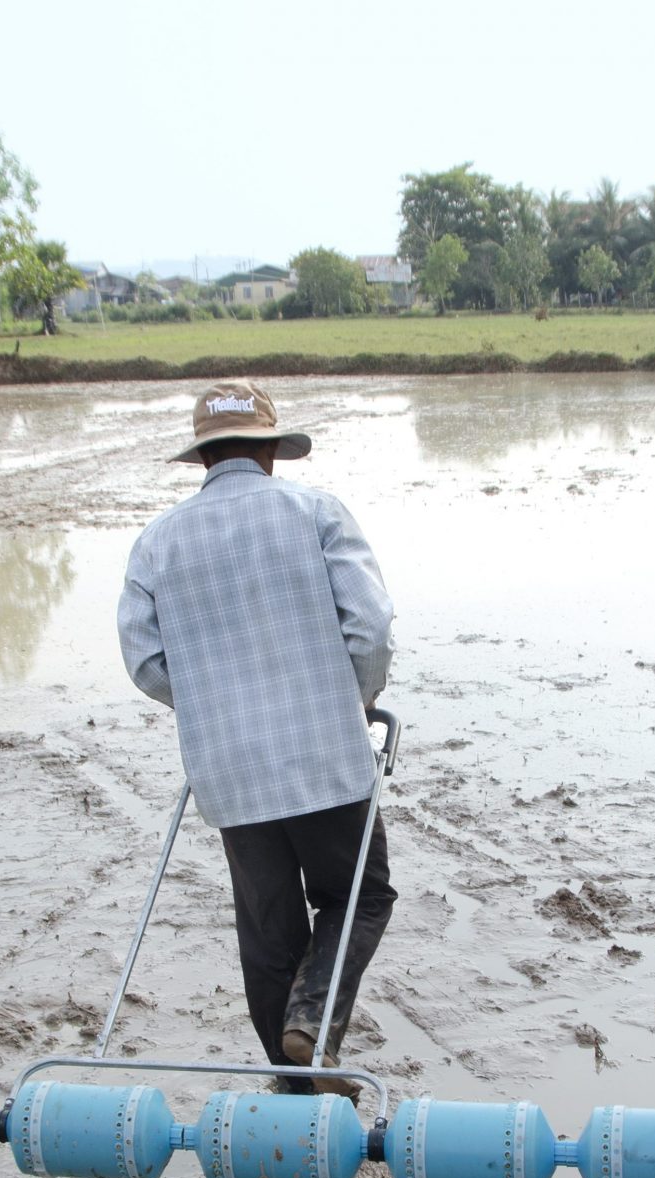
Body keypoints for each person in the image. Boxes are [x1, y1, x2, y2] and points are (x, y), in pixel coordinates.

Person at [117, 381, 396, 1096]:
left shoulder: (158, 542)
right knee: (360, 895)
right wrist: (354, 698)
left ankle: (294, 1084)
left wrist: (216, 702)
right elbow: (368, 628)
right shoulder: (316, 512)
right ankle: (313, 1018)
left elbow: (146, 661)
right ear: (271, 450)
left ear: (204, 457)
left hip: (229, 771)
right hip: (325, 755)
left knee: (269, 928)